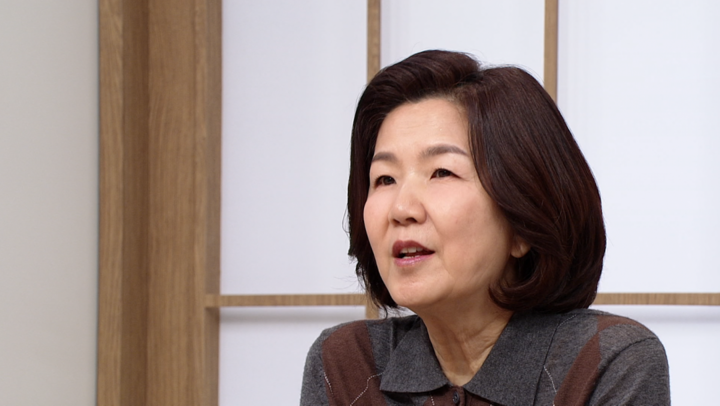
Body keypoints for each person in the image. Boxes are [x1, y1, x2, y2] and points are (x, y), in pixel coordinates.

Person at [301, 50, 670, 405]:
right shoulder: (348, 364)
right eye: (384, 179)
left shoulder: (605, 362)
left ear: (523, 219)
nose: (401, 209)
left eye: (441, 172)